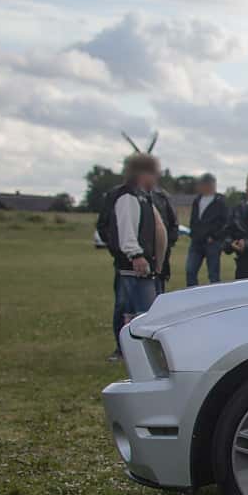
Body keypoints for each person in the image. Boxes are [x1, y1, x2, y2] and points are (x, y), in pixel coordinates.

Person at [106, 151, 168, 361]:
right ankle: (127, 351)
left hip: (146, 268)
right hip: (133, 267)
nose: (156, 179)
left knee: (144, 312)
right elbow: (127, 231)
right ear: (144, 174)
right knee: (129, 311)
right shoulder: (128, 198)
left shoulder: (144, 197)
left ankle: (142, 353)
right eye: (154, 174)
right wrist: (136, 255)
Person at [185, 172, 227, 286]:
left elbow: (225, 222)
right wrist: (193, 233)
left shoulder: (220, 201)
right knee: (190, 271)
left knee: (213, 274)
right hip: (196, 242)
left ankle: (215, 297)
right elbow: (193, 219)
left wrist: (214, 236)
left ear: (209, 185)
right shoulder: (197, 200)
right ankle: (192, 295)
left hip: (212, 243)